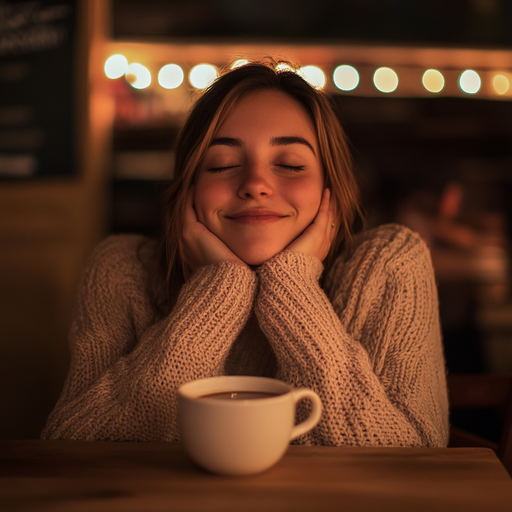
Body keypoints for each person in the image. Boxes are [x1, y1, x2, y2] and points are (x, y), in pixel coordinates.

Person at [42, 61, 449, 446]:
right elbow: (71, 449)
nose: (256, 184)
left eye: (289, 164)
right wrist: (219, 289)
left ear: (331, 188)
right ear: (189, 189)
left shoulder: (390, 263)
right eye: (221, 164)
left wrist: (292, 286)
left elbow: (414, 460)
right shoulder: (122, 268)